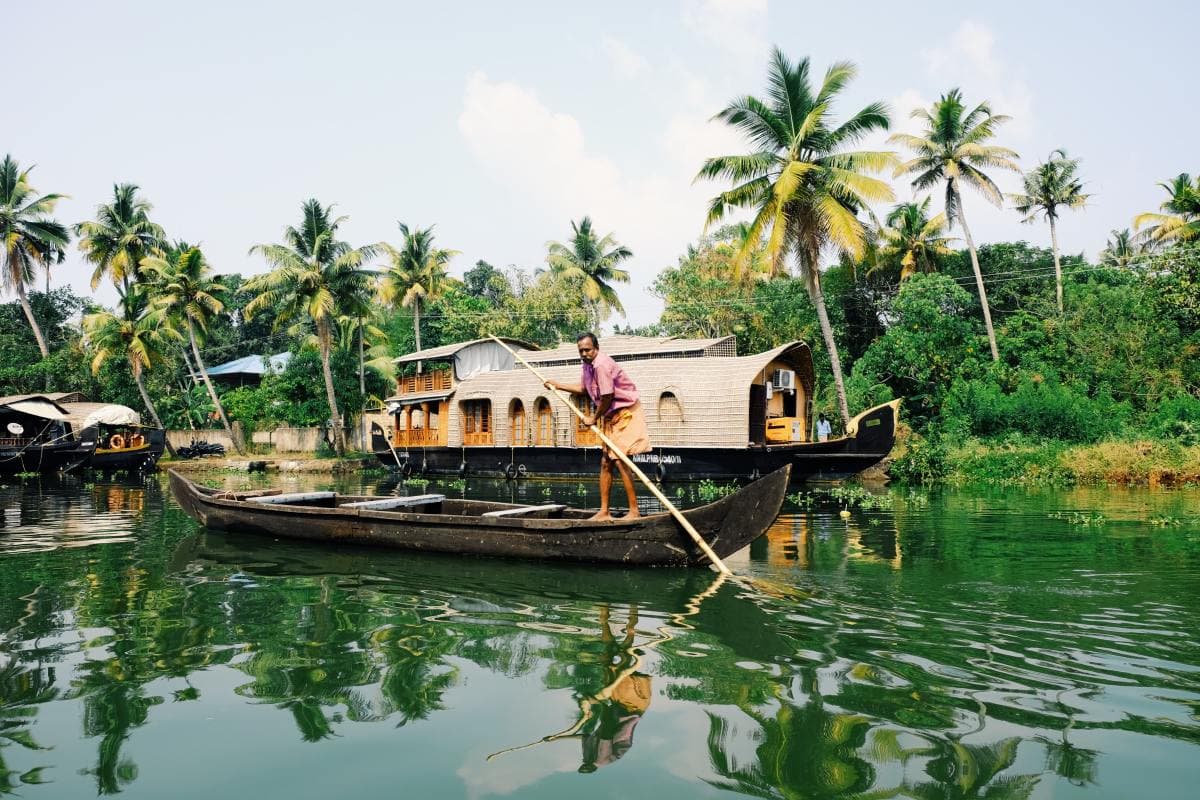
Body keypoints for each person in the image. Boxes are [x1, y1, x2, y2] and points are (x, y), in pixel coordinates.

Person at [545, 332, 651, 520]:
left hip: (625, 413)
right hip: (611, 416)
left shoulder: (601, 364)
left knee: (620, 459)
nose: (584, 353)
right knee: (605, 462)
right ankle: (604, 511)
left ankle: (634, 512)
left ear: (596, 348)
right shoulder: (587, 366)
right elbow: (584, 389)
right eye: (581, 351)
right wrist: (558, 385)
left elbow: (607, 396)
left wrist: (593, 418)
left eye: (588, 350)